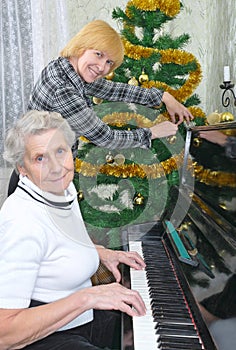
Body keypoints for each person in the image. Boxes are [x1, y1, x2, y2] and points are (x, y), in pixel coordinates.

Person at [0, 110, 147, 350]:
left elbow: (58, 241)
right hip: (43, 336)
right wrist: (86, 298)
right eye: (40, 158)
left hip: (80, 320)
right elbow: (4, 334)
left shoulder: (60, 191)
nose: (57, 167)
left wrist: (98, 252)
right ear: (22, 168)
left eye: (60, 151)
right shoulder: (21, 221)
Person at [8, 19, 194, 195]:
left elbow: (112, 90)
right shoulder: (63, 89)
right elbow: (106, 138)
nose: (102, 67)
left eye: (109, 62)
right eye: (99, 54)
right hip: (39, 182)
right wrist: (152, 132)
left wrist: (163, 96)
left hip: (45, 176)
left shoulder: (67, 69)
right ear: (81, 46)